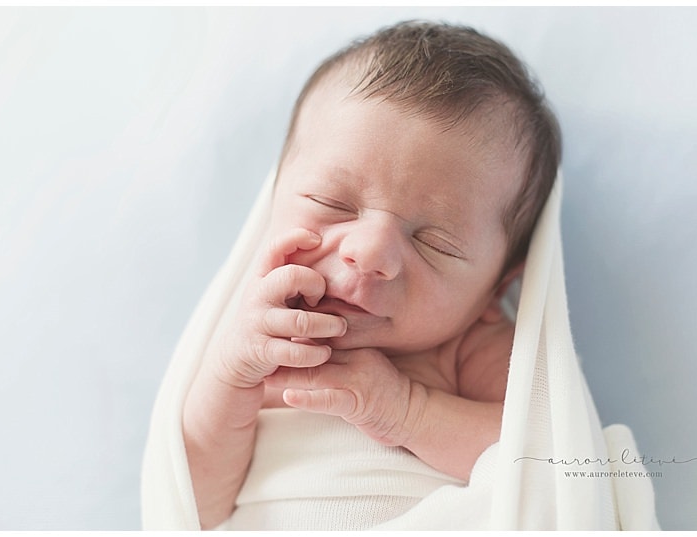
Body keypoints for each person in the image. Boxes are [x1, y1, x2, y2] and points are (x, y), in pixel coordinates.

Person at [181, 20, 561, 530]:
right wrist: (229, 374)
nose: (369, 252)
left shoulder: (469, 348)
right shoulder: (259, 345)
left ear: (498, 289)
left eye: (435, 243)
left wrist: (408, 411)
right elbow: (192, 506)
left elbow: (550, 465)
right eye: (331, 203)